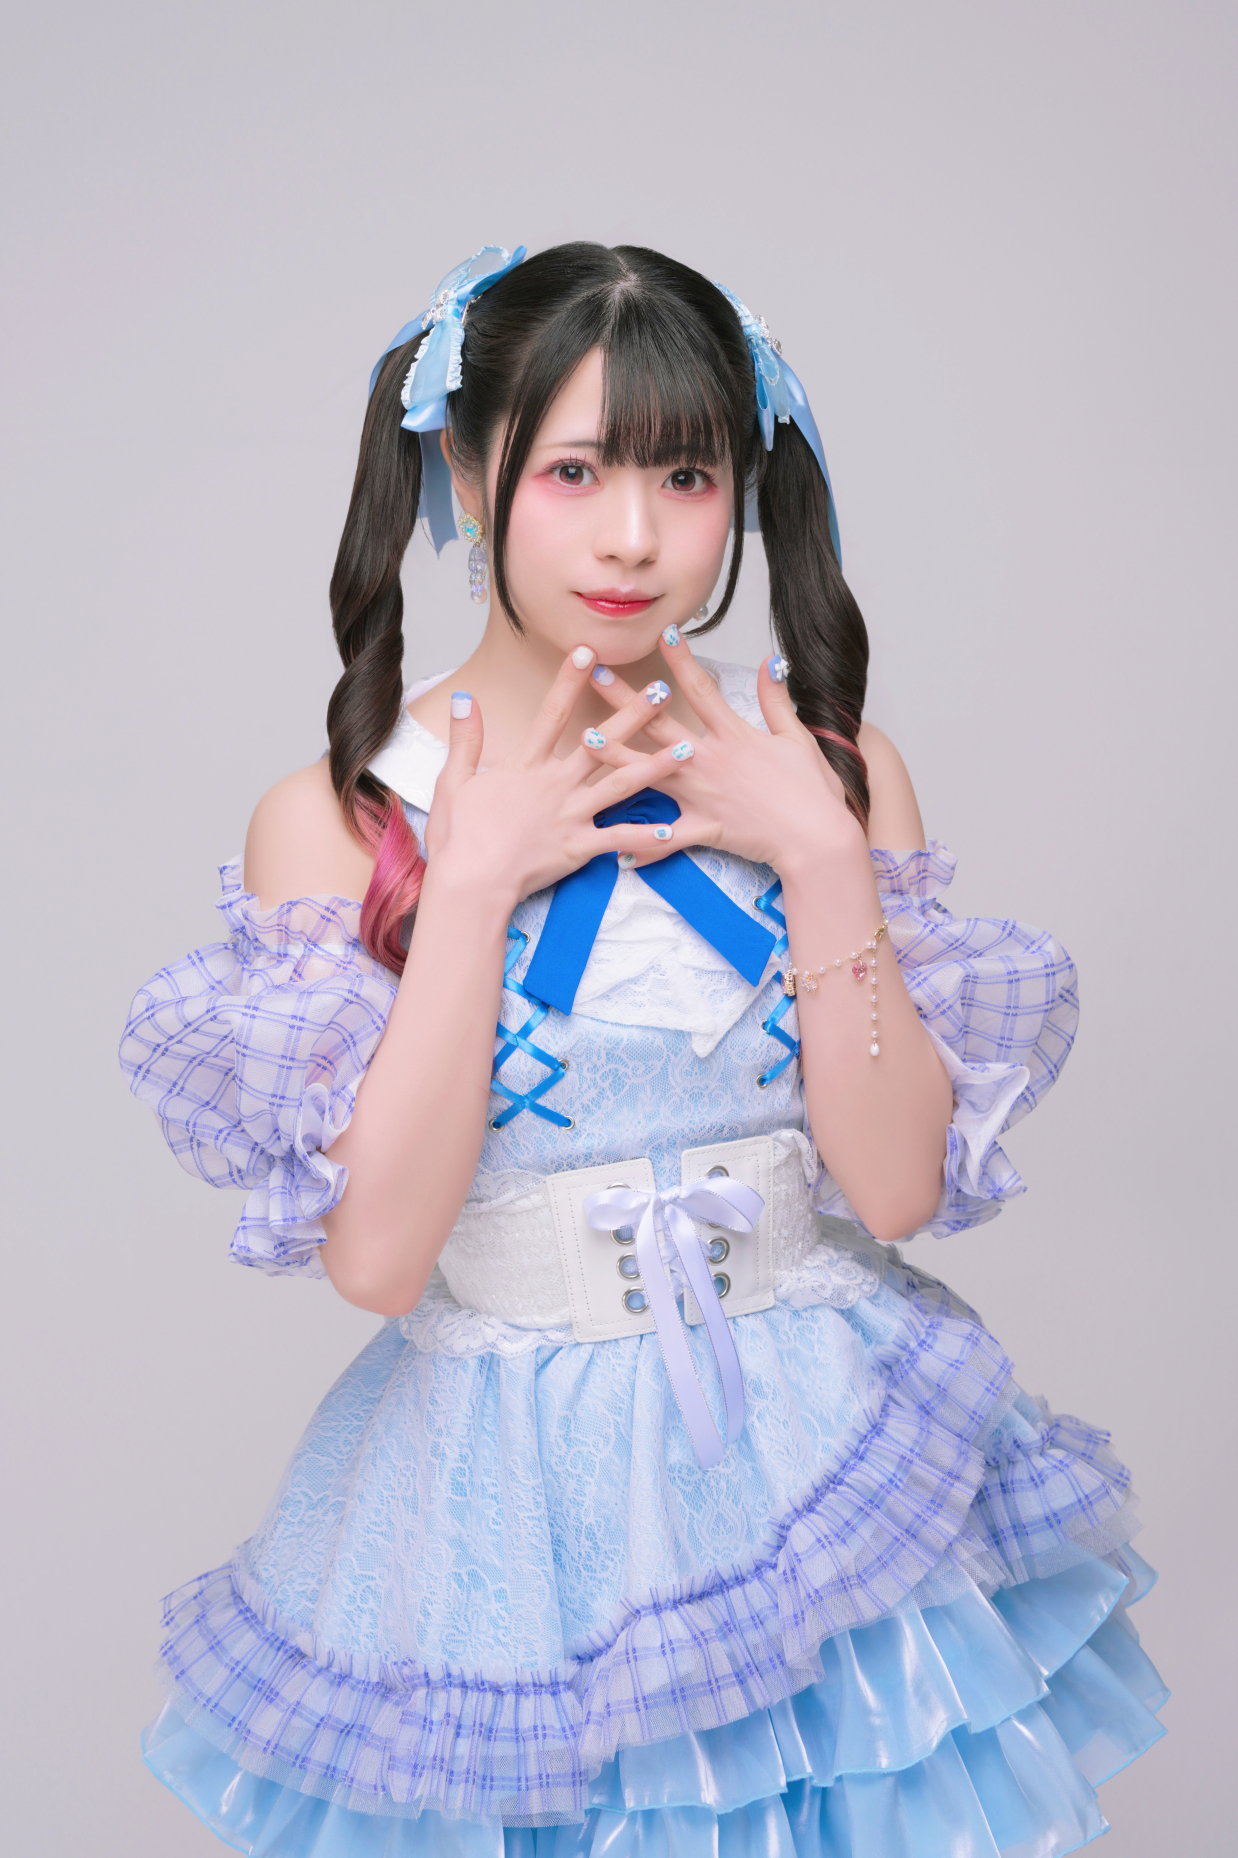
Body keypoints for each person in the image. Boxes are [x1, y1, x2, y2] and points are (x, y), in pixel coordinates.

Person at [121, 241, 1166, 1858]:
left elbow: (895, 1187)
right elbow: (377, 1262)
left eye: (685, 475)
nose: (631, 534)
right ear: (468, 472)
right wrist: (472, 884)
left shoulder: (823, 761)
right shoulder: (345, 812)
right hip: (507, 1501)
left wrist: (815, 850)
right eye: (574, 471)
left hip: (820, 1455)